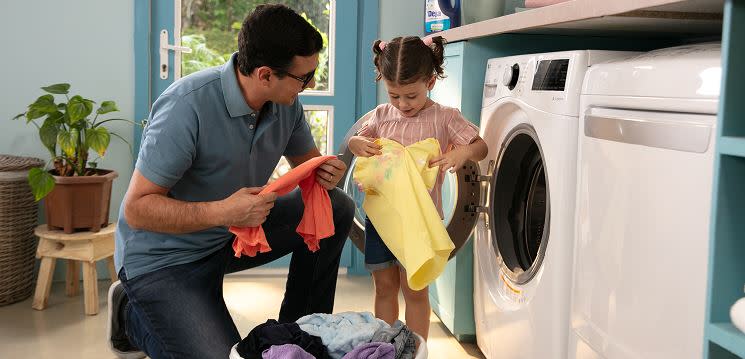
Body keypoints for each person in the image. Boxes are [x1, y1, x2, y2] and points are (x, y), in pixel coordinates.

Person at [107, 5, 354, 359]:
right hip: (164, 260)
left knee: (337, 206)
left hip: (232, 238)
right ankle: (129, 314)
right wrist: (225, 211)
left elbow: (311, 172)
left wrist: (326, 172)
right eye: (305, 77)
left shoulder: (286, 104)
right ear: (266, 74)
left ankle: (300, 335)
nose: (312, 84)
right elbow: (137, 209)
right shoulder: (186, 106)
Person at [347, 36, 488, 339]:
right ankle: (385, 348)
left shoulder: (445, 117)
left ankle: (416, 350)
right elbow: (355, 140)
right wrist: (358, 143)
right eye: (394, 95)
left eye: (411, 95)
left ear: (431, 82)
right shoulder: (382, 115)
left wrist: (462, 153)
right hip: (381, 220)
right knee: (384, 287)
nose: (402, 104)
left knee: (415, 291)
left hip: (419, 223)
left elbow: (481, 147)